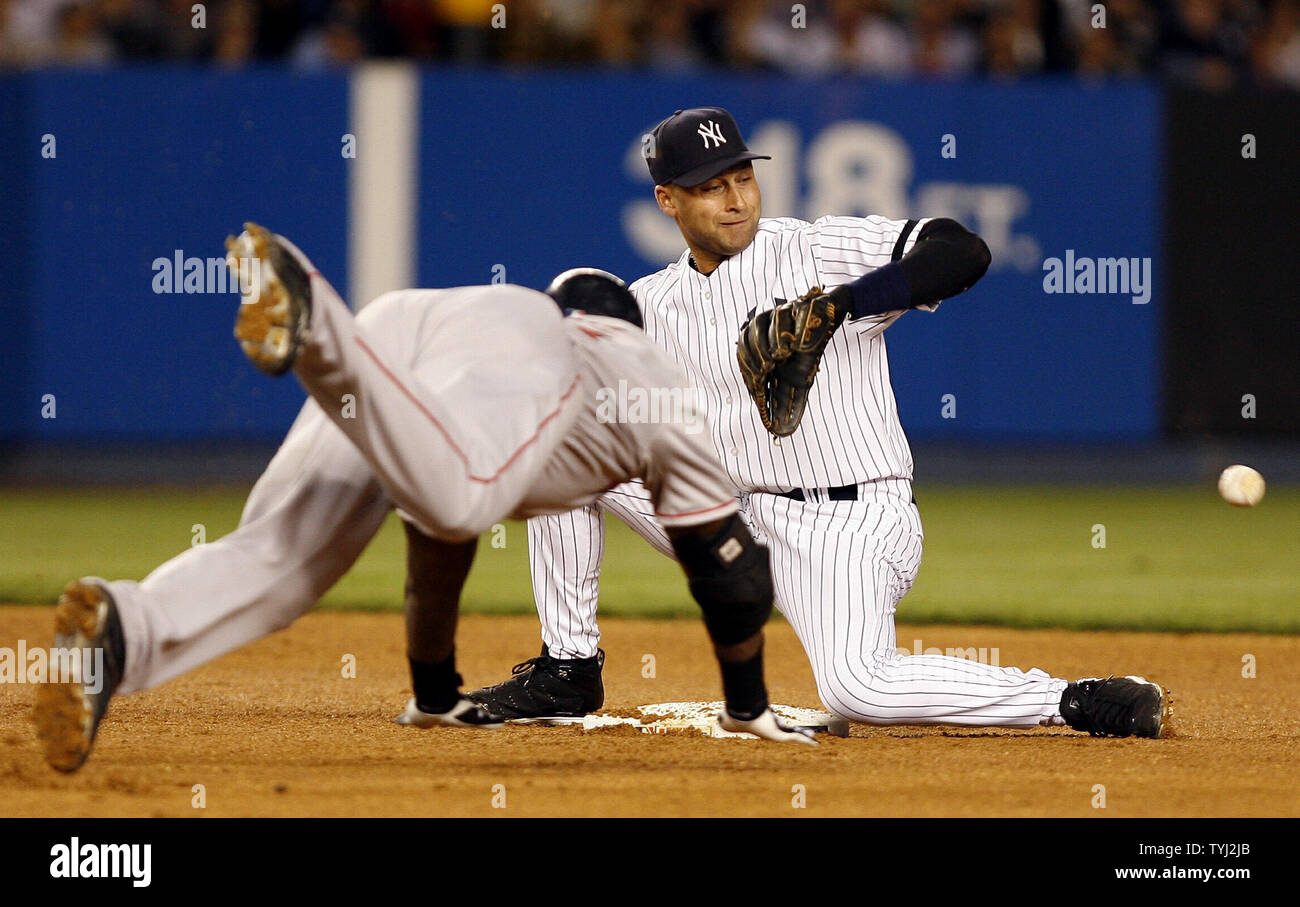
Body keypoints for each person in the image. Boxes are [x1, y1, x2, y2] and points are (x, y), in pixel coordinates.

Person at [466, 107, 1170, 740]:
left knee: (857, 683)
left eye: (742, 176)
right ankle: (569, 667)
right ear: (668, 200)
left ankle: (1074, 699)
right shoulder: (652, 302)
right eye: (712, 186)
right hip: (733, 517)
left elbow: (962, 252)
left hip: (848, 520)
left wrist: (839, 305)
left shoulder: (815, 249)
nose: (736, 197)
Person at [34, 223, 817, 774]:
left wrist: (436, 694)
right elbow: (733, 575)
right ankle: (314, 323)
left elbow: (435, 552)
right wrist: (747, 705)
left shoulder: (507, 333)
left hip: (410, 324)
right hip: (475, 360)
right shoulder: (638, 373)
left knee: (283, 559)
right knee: (462, 497)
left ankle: (122, 631)